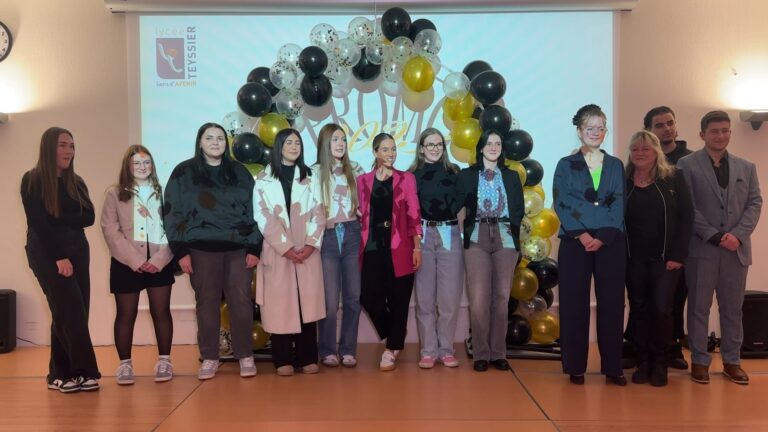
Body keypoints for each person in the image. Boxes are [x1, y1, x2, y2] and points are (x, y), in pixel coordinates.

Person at [164, 122, 262, 380]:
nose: (216, 142)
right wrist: (180, 250)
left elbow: (256, 211)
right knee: (206, 303)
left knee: (241, 302)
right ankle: (209, 357)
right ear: (200, 142)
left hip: (239, 248)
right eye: (210, 138)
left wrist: (254, 246)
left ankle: (245, 355)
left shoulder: (239, 172)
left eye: (220, 138)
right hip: (200, 249)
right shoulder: (183, 173)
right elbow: (173, 213)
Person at [678, 111, 762, 385]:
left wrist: (737, 235)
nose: (721, 135)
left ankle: (731, 361)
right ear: (702, 134)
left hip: (736, 251)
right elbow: (688, 206)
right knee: (699, 308)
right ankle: (700, 361)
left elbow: (754, 203)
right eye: (715, 131)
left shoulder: (746, 167)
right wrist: (714, 235)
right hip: (702, 249)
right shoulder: (686, 165)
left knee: (732, 309)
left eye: (725, 130)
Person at [21, 127, 101, 393]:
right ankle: (84, 370)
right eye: (63, 145)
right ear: (48, 148)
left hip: (78, 249)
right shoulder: (32, 180)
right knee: (70, 310)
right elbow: (39, 224)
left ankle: (59, 374)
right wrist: (59, 257)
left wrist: (57, 216)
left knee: (72, 310)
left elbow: (88, 217)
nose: (69, 151)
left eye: (72, 146)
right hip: (47, 252)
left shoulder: (76, 182)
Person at [553, 104, 627, 386]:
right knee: (574, 305)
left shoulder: (616, 164)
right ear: (579, 131)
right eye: (589, 128)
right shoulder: (565, 165)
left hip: (610, 242)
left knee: (611, 305)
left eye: (600, 128)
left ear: (605, 131)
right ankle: (575, 367)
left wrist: (603, 237)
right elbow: (562, 201)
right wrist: (583, 235)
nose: (595, 132)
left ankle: (613, 367)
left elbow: (619, 201)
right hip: (575, 242)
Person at [620, 106, 693, 371]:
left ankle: (660, 360)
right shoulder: (623, 179)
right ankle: (643, 360)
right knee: (638, 308)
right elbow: (599, 196)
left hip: (665, 260)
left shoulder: (674, 177)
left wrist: (678, 255)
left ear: (656, 151)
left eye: (645, 149)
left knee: (663, 309)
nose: (640, 153)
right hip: (633, 259)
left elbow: (687, 218)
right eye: (635, 149)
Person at [254, 128, 326, 376]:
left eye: (297, 142)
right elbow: (262, 216)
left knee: (307, 302)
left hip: (307, 249)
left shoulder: (310, 176)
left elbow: (319, 211)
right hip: (277, 251)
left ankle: (307, 357)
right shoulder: (263, 179)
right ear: (279, 146)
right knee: (280, 304)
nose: (294, 147)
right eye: (289, 142)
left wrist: (309, 244)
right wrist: (285, 248)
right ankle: (282, 358)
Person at [101, 145, 175, 385]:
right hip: (125, 264)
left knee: (161, 312)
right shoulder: (114, 193)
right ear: (128, 167)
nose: (142, 167)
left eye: (146, 163)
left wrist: (159, 260)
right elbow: (110, 230)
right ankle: (124, 365)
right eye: (136, 163)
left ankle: (164, 360)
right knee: (126, 314)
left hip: (159, 264)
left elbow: (174, 229)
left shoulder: (164, 192)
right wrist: (134, 260)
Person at [456, 129, 524, 372]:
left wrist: (512, 229)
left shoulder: (512, 176)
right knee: (479, 299)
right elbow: (457, 204)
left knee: (502, 297)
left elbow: (518, 208)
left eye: (497, 143)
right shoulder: (467, 175)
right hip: (477, 237)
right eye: (489, 143)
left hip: (505, 236)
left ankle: (499, 353)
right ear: (481, 147)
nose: (494, 147)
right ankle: (481, 353)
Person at [358, 132, 422, 371]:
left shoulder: (407, 179)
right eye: (385, 149)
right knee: (368, 296)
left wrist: (416, 246)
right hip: (372, 246)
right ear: (375, 152)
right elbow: (360, 211)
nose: (391, 154)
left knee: (399, 300)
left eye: (393, 149)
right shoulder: (363, 180)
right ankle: (395, 330)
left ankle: (392, 349)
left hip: (400, 246)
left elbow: (414, 214)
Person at [409, 128, 464, 369]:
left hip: (449, 232)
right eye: (429, 144)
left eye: (438, 144)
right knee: (424, 297)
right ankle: (428, 350)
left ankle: (446, 349)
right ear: (421, 148)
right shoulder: (412, 175)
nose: (434, 148)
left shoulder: (455, 172)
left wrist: (454, 228)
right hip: (422, 234)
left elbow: (463, 206)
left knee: (449, 297)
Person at [313, 124, 365, 368]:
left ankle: (347, 349)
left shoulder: (355, 169)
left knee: (354, 298)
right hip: (329, 236)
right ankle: (326, 350)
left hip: (352, 233)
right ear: (325, 143)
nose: (341, 143)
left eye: (343, 139)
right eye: (335, 139)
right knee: (330, 302)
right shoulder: (314, 173)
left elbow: (366, 201)